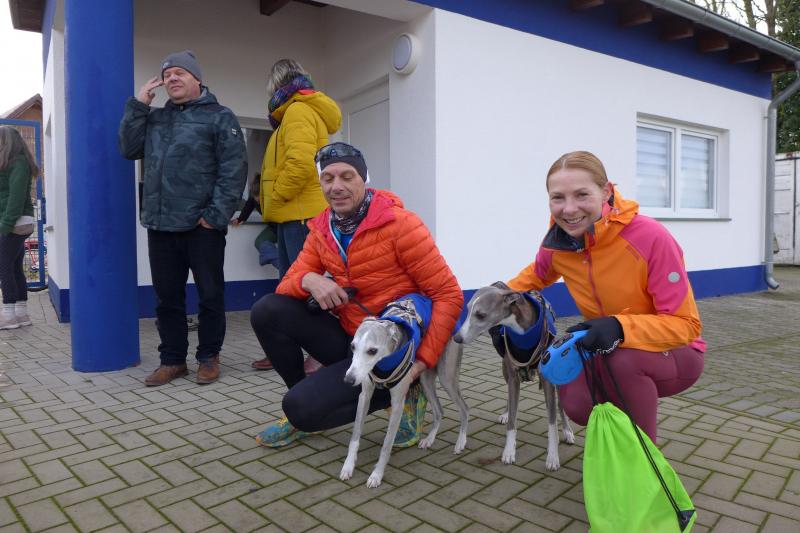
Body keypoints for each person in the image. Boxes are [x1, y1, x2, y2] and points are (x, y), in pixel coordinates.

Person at [250, 142, 463, 447]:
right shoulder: (322, 229)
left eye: (347, 176)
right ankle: (301, 401)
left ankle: (405, 391)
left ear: (364, 178)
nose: (336, 187)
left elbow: (448, 295)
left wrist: (421, 364)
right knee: (268, 310)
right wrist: (310, 279)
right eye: (327, 178)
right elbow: (287, 285)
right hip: (354, 337)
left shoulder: (401, 224)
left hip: (396, 348)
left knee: (301, 410)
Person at [506, 150, 704, 442]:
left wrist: (619, 326)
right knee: (574, 398)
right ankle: (616, 432)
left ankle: (641, 457)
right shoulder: (558, 241)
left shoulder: (650, 237)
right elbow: (537, 273)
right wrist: (498, 298)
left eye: (582, 195)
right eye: (558, 197)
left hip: (676, 352)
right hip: (607, 345)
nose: (569, 209)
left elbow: (686, 325)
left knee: (622, 364)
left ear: (606, 192)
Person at [119, 50, 247, 386]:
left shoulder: (220, 116)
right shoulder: (156, 118)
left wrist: (215, 216)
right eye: (167, 75)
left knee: (210, 295)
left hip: (201, 227)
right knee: (167, 299)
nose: (172, 78)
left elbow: (234, 170)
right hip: (161, 225)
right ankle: (173, 360)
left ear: (197, 79)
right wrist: (139, 106)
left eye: (179, 72)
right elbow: (128, 149)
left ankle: (208, 357)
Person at [251, 58, 342, 372]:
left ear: (278, 85)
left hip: (300, 214)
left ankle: (319, 353)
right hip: (294, 214)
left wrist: (276, 196)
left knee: (303, 289)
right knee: (291, 288)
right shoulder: (296, 111)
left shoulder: (297, 110)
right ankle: (283, 345)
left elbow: (301, 164)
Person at [0, 126, 37, 330]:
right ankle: (21, 314)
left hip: (15, 222)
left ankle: (8, 316)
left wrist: (4, 226)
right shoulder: (14, 162)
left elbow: (16, 198)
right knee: (14, 266)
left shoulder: (18, 163)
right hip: (17, 221)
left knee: (4, 266)